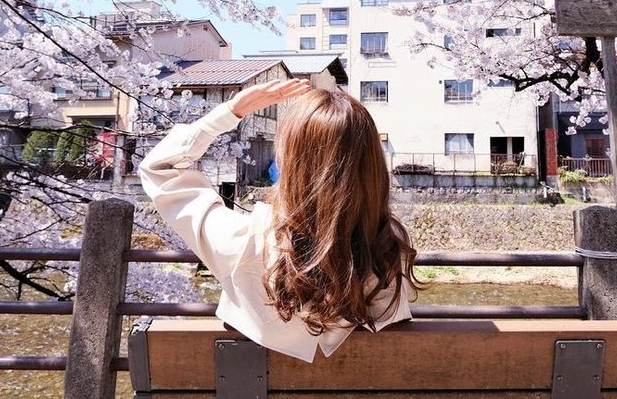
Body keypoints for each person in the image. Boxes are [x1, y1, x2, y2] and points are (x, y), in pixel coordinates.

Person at [138, 79, 422, 363]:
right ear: (372, 166)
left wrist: (229, 112)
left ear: (289, 160)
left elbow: (159, 170)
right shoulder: (390, 250)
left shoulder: (243, 242)